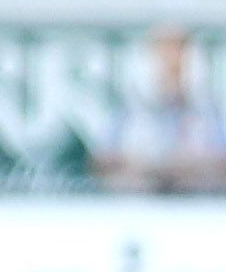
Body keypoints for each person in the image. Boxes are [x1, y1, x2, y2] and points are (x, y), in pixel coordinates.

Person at [94, 26, 225, 195]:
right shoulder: (128, 110)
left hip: (196, 210)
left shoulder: (209, 111)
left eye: (179, 52)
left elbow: (222, 160)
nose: (171, 61)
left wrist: (190, 166)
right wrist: (145, 165)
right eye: (164, 54)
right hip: (137, 210)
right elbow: (101, 161)